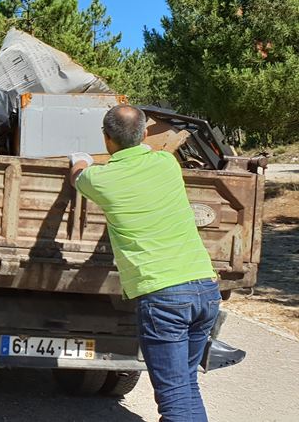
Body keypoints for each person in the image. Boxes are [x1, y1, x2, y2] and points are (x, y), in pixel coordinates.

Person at [69, 104, 220, 421]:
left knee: (176, 400)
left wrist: (79, 159)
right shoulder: (166, 163)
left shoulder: (101, 180)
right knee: (186, 388)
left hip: (164, 297)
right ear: (142, 135)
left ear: (106, 138)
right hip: (204, 289)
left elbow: (78, 176)